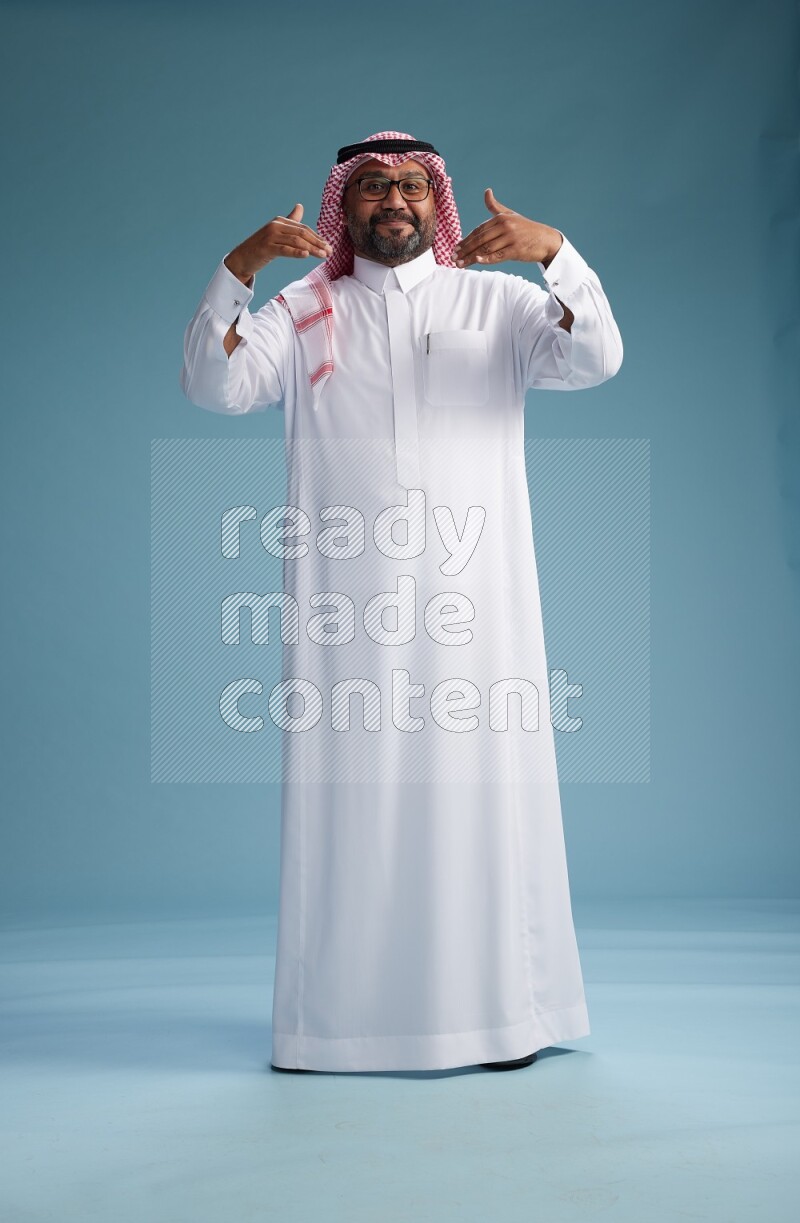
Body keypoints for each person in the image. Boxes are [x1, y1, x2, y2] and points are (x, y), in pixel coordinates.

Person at [180, 131, 623, 1074]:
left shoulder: (497, 301)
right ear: (345, 204)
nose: (395, 201)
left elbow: (597, 361)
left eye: (412, 186)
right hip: (350, 616)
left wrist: (557, 255)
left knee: (478, 805)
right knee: (355, 812)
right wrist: (240, 267)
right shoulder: (304, 308)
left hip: (479, 612)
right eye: (375, 186)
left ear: (437, 201)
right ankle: (335, 1029)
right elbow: (213, 385)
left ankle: (497, 1018)